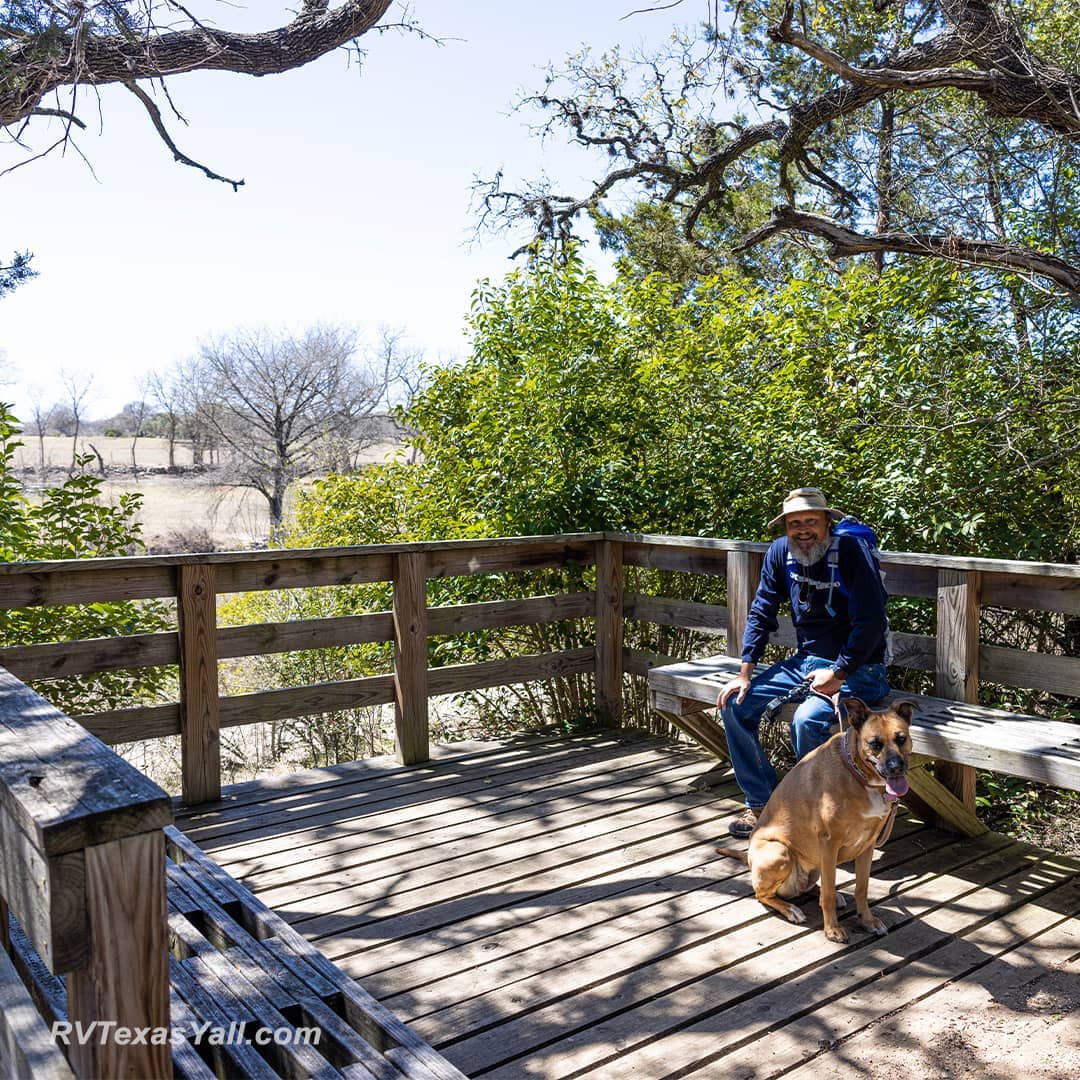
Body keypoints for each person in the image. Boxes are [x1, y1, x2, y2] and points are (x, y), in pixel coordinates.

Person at [717, 487, 890, 837]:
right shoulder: (781, 552)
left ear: (828, 521)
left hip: (861, 668)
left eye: (811, 520)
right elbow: (762, 609)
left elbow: (870, 623)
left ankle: (818, 814)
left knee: (806, 720)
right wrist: (745, 671)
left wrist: (840, 672)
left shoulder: (852, 552)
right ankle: (762, 803)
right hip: (806, 662)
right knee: (735, 706)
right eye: (794, 523)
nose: (803, 529)